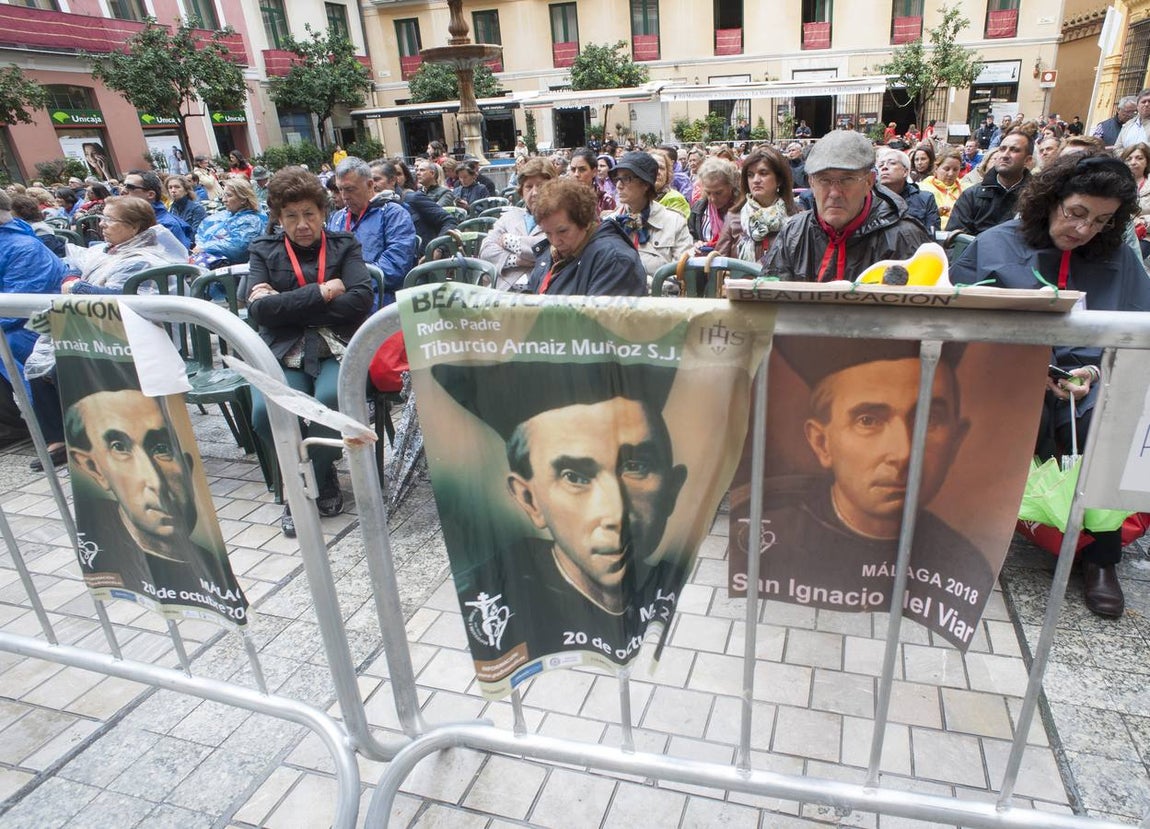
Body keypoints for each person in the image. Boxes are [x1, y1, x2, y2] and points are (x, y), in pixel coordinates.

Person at [951, 152, 1150, 617]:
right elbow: (957, 324)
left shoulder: (1120, 260)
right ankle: (975, 539)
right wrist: (1027, 370)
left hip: (1090, 382)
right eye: (1076, 213)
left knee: (1112, 424)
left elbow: (1139, 334)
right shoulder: (995, 244)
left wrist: (1096, 372)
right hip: (1003, 377)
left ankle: (1102, 555)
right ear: (1051, 199)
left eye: (1101, 221)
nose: (1083, 230)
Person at [433, 358, 686, 666]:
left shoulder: (671, 576)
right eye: (575, 477)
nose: (616, 513)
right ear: (530, 500)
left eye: (636, 467)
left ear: (672, 489)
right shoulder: (494, 591)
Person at [738, 337, 985, 637]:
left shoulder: (965, 563)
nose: (903, 452)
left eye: (929, 418)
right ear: (822, 443)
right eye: (868, 420)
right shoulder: (767, 540)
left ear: (956, 441)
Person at [247, 168, 374, 536]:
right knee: (265, 410)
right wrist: (323, 292)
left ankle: (312, 482)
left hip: (335, 343)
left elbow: (361, 300)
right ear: (278, 217)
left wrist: (285, 303)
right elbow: (258, 310)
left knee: (331, 399)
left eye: (309, 214)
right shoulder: (263, 250)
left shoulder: (344, 244)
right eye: (291, 216)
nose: (302, 224)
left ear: (323, 212)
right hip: (284, 347)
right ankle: (304, 479)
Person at [63, 368, 245, 618]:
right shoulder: (102, 551)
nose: (155, 482)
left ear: (187, 464)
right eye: (120, 448)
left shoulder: (211, 561)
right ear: (94, 468)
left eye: (161, 448)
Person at [25, 196, 187, 470]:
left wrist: (78, 289)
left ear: (134, 228)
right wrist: (72, 280)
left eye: (110, 220)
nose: (101, 224)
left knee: (59, 367)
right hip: (93, 327)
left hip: (133, 336)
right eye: (103, 217)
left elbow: (125, 296)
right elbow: (75, 268)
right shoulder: (107, 250)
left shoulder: (147, 257)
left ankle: (103, 441)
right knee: (38, 363)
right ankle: (58, 441)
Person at [763, 130, 930, 282]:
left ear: (869, 182)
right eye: (824, 180)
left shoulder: (904, 237)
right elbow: (769, 303)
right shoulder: (794, 233)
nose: (835, 193)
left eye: (847, 179)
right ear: (811, 183)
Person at [526, 177, 646, 296]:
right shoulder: (554, 253)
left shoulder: (616, 261)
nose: (555, 241)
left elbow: (595, 314)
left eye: (563, 231)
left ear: (585, 221)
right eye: (547, 233)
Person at [327, 157, 416, 307]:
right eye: (340, 189)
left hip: (382, 299)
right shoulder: (337, 218)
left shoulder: (393, 214)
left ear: (370, 185)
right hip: (342, 298)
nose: (344, 196)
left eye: (349, 189)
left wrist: (349, 282)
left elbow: (394, 266)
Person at [606, 151, 692, 279]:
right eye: (617, 179)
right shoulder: (610, 223)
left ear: (645, 184)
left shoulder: (674, 223)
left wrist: (646, 284)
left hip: (658, 297)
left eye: (626, 178)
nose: (619, 185)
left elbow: (683, 275)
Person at [478, 157, 554, 290]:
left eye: (541, 186)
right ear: (521, 191)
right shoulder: (509, 217)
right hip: (504, 291)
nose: (534, 192)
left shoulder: (561, 219)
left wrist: (509, 240)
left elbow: (551, 250)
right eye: (528, 187)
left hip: (542, 292)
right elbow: (486, 251)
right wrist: (516, 260)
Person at [716, 146, 799, 267]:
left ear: (779, 179)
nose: (756, 180)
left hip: (782, 284)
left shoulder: (797, 218)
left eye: (763, 173)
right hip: (741, 284)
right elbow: (719, 264)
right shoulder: (735, 216)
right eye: (750, 175)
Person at [947, 131, 1033, 236]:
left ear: (1028, 160)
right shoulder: (972, 195)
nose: (1005, 155)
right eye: (1002, 149)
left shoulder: (1037, 198)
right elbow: (954, 241)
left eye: (1014, 150)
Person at [369, 159, 456, 259]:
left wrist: (437, 248)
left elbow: (449, 221)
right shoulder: (369, 209)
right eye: (369, 182)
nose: (373, 185)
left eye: (376, 179)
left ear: (392, 180)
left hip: (422, 265)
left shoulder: (412, 199)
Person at [191, 178, 266, 268]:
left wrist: (205, 247)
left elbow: (238, 247)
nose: (224, 200)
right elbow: (203, 230)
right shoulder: (228, 215)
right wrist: (200, 245)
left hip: (233, 271)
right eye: (223, 195)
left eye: (229, 196)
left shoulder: (252, 221)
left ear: (243, 199)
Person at [875, 148, 940, 236]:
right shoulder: (869, 200)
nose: (884, 167)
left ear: (905, 172)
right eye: (880, 165)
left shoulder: (926, 199)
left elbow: (932, 235)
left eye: (892, 163)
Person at [122, 170, 192, 250]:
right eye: (123, 186)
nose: (123, 191)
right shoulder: (129, 220)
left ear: (151, 194)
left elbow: (176, 259)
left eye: (130, 187)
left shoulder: (166, 226)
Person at [688, 157, 739, 254]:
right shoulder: (699, 209)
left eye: (718, 193)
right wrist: (695, 244)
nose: (712, 199)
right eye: (708, 192)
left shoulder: (742, 210)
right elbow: (690, 235)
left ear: (731, 186)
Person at [917, 149, 965, 230]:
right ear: (936, 168)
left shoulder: (967, 189)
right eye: (946, 169)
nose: (951, 173)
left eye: (955, 169)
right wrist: (935, 214)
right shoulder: (922, 188)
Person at [567, 148, 615, 215]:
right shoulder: (564, 199)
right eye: (573, 169)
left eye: (582, 169)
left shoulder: (605, 200)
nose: (576, 174)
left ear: (594, 172)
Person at [649, 149, 691, 219]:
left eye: (661, 168)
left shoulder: (676, 199)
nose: (657, 172)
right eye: (652, 167)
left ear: (668, 174)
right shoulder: (637, 197)